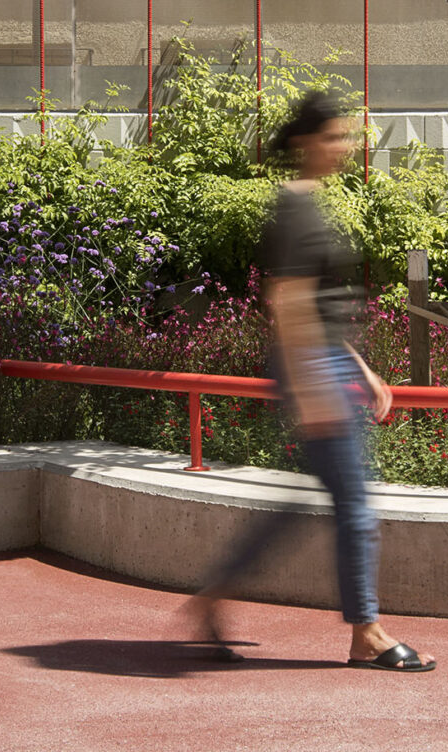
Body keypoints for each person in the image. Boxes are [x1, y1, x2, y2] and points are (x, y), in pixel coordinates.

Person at [185, 92, 435, 673]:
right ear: (304, 143)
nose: (344, 147)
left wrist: (364, 370)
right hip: (312, 369)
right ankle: (366, 633)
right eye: (333, 137)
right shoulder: (295, 208)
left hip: (328, 365)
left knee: (305, 504)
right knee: (353, 505)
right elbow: (290, 302)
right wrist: (315, 386)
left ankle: (214, 597)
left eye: (345, 137)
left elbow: (319, 305)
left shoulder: (312, 204)